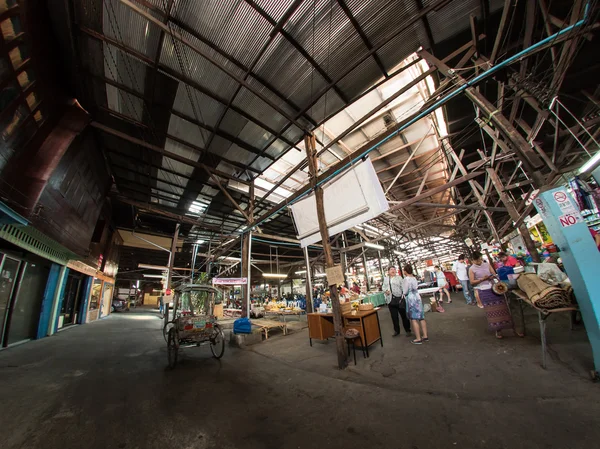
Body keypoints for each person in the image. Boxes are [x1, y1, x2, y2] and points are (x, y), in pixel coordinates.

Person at [468, 251, 523, 339]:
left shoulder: (487, 264)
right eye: (477, 260)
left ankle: (513, 329)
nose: (479, 262)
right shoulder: (471, 269)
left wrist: (491, 277)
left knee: (505, 309)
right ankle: (498, 331)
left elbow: (494, 274)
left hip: (495, 289)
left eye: (480, 259)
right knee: (492, 312)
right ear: (472, 260)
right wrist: (482, 279)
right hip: (484, 291)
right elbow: (472, 282)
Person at [402, 265, 428, 345]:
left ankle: (418, 338)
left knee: (413, 318)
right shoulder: (414, 278)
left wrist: (403, 293)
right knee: (421, 317)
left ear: (405, 271)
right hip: (417, 296)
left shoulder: (406, 279)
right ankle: (425, 336)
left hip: (411, 298)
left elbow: (405, 291)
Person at [382, 266, 411, 337]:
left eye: (394, 269)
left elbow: (403, 287)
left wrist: (403, 295)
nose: (393, 270)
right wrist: (386, 291)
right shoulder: (386, 279)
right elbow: (383, 287)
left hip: (399, 299)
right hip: (390, 299)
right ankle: (396, 331)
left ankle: (408, 330)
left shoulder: (399, 278)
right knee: (394, 317)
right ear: (388, 271)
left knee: (403, 315)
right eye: (391, 269)